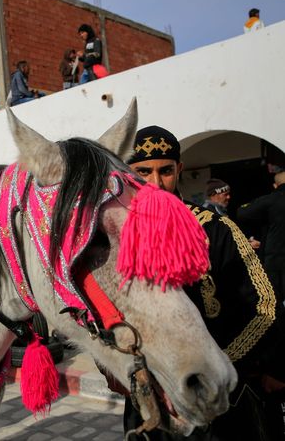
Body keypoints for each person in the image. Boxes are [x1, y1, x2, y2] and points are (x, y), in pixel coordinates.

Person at [121, 125, 285, 441]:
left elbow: (263, 304)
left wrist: (220, 365)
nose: (155, 183)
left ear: (179, 169)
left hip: (220, 391)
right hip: (150, 396)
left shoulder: (215, 229)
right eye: (143, 172)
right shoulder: (116, 235)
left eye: (165, 171)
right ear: (127, 173)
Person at [238, 171, 285, 307]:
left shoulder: (271, 200)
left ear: (275, 186)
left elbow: (242, 213)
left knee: (276, 301)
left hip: (276, 260)